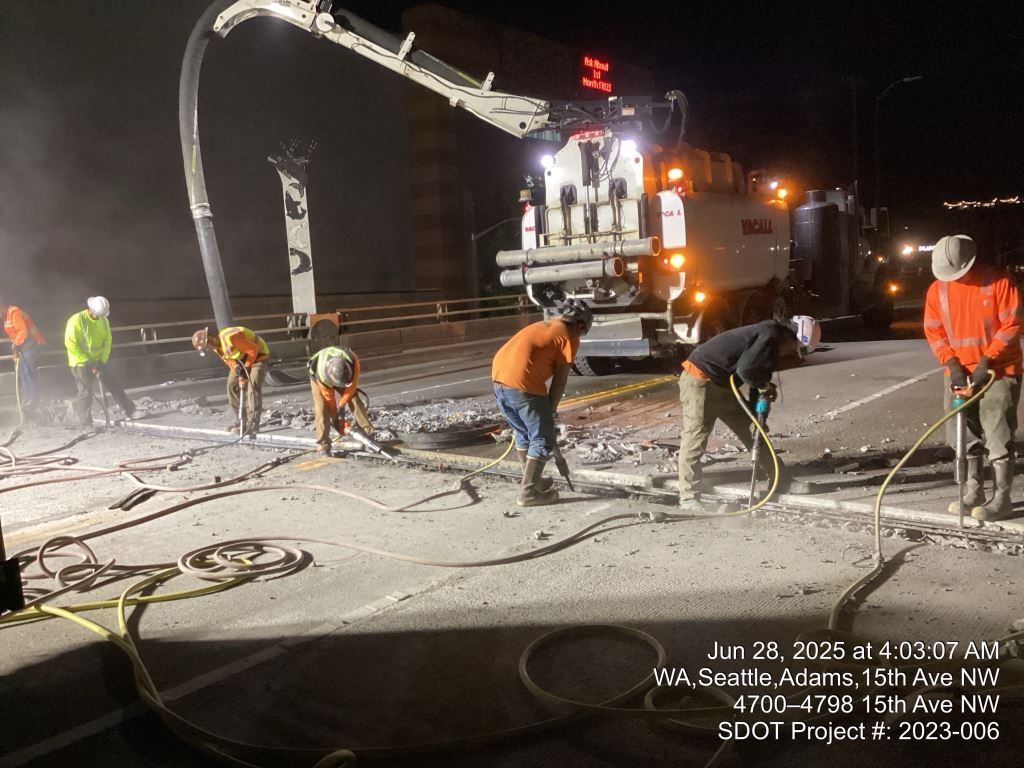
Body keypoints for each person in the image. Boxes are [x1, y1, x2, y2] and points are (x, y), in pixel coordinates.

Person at [676, 315, 820, 514]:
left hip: (722, 385)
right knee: (695, 437)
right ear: (792, 337)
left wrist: (757, 415)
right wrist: (764, 385)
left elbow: (754, 380)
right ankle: (688, 496)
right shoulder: (768, 335)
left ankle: (781, 481)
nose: (792, 353)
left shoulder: (771, 344)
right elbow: (747, 371)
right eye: (796, 348)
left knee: (753, 430)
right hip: (699, 381)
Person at [924, 234, 1021, 522]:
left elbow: (1012, 324)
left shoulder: (999, 283)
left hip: (997, 371)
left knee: (998, 433)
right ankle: (974, 491)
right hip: (959, 374)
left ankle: (1002, 498)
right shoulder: (937, 290)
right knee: (963, 433)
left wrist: (987, 359)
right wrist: (952, 363)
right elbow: (934, 331)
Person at [491, 299, 592, 507]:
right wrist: (551, 407)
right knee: (543, 438)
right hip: (523, 385)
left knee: (523, 433)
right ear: (581, 326)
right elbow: (561, 378)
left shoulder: (543, 325)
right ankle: (528, 493)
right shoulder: (569, 336)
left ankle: (531, 481)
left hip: (499, 381)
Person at [64, 296, 135, 427]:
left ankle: (130, 410)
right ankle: (85, 421)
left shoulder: (104, 321)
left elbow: (108, 341)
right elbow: (71, 343)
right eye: (98, 315)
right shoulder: (76, 320)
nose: (100, 317)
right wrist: (87, 361)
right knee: (85, 392)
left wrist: (102, 361)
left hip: (98, 361)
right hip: (80, 362)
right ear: (91, 310)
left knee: (113, 383)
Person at [191, 325, 270, 435]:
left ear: (210, 338)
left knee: (253, 387)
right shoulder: (216, 347)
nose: (208, 349)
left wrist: (246, 367)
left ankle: (253, 424)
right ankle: (240, 422)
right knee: (231, 386)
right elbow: (228, 360)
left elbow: (253, 349)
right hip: (241, 359)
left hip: (259, 356)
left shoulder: (230, 338)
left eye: (206, 346)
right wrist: (237, 368)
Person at [307, 345, 374, 454]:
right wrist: (337, 421)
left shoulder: (353, 361)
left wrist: (342, 405)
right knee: (322, 408)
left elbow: (351, 388)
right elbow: (330, 401)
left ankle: (368, 434)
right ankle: (323, 444)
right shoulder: (322, 376)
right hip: (316, 376)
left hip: (341, 376)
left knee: (355, 399)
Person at [2, 299, 46, 409]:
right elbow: (14, 333)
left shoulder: (14, 312)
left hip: (29, 345)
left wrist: (16, 344)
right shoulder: (6, 315)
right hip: (22, 346)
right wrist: (16, 349)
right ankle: (26, 399)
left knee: (29, 373)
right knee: (23, 374)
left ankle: (33, 400)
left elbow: (22, 331)